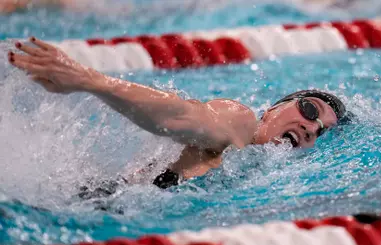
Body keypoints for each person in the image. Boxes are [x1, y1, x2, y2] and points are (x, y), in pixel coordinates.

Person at [7, 38, 350, 197]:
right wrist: (91, 81)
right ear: (274, 108)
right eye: (309, 110)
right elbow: (180, 116)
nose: (309, 128)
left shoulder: (261, 171)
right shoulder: (240, 122)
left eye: (320, 132)